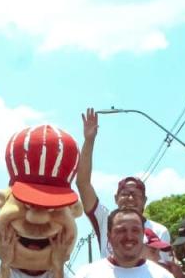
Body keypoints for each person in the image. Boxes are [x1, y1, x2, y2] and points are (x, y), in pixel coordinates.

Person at [74, 108, 173, 262]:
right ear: (115, 198)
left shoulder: (159, 231)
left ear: (145, 201)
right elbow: (82, 183)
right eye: (125, 194)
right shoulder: (104, 220)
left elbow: (166, 270)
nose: (130, 198)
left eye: (136, 195)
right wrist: (89, 140)